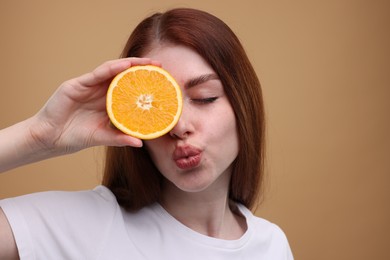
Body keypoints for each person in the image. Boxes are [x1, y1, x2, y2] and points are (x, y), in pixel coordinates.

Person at [0, 8, 293, 259]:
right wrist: (38, 136)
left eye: (205, 97)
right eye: (154, 107)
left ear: (243, 102)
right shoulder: (87, 224)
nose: (179, 127)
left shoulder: (271, 246)